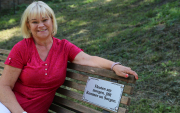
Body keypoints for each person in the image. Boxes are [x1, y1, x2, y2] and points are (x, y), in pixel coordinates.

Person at [0, 1, 138, 113]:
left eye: (44, 20)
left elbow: (88, 59)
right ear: (28, 26)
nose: (41, 25)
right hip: (8, 107)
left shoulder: (64, 47)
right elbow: (4, 86)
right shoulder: (22, 48)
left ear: (52, 21)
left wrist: (114, 65)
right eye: (35, 22)